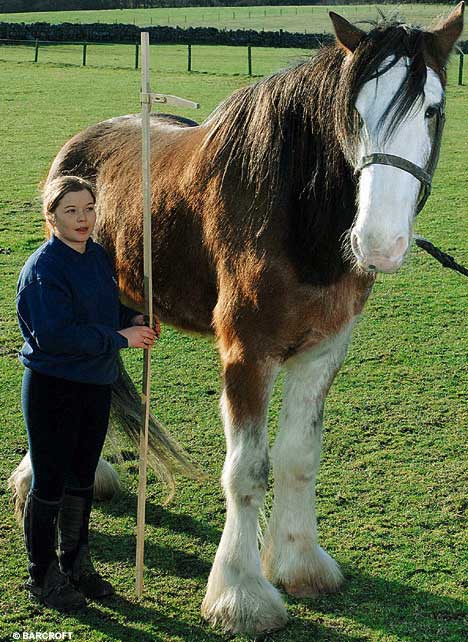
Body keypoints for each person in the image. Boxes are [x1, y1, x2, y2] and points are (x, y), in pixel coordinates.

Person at [15, 175, 158, 611]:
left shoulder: (97, 257)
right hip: (54, 387)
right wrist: (120, 339)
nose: (82, 218)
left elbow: (101, 309)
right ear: (51, 216)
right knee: (50, 481)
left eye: (89, 208)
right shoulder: (42, 271)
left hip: (96, 385)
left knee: (82, 478)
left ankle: (76, 564)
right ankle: (42, 577)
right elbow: (57, 336)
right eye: (71, 211)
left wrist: (130, 317)